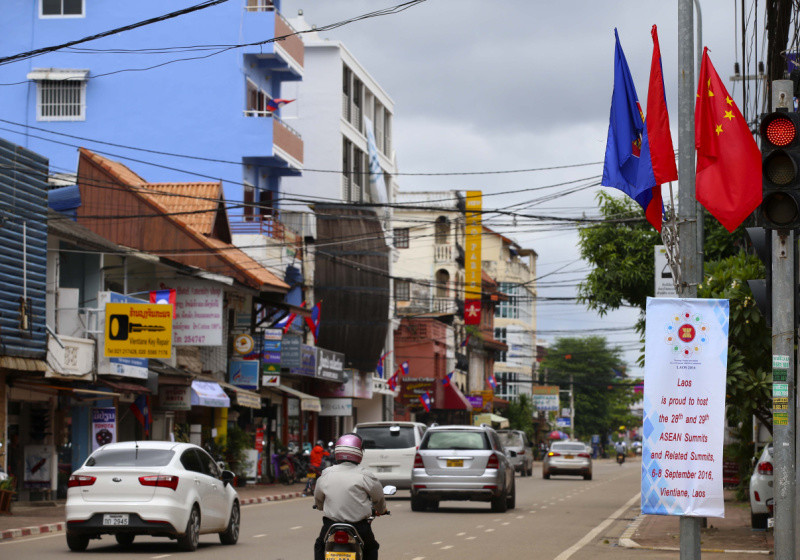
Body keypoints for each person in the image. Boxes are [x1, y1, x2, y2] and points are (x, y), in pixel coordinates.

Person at [314, 433, 387, 560]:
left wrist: (320, 506)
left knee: (320, 545)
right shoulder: (365, 475)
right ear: (359, 452)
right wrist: (381, 510)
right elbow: (378, 497)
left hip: (331, 525)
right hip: (359, 526)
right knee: (371, 547)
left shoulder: (326, 474)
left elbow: (318, 497)